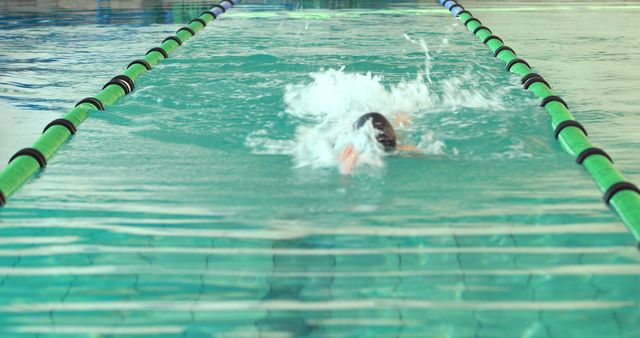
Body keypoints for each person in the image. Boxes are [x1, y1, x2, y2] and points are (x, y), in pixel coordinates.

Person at [338, 112, 419, 175]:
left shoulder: (392, 147)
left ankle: (402, 116)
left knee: (396, 140)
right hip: (368, 129)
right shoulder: (350, 147)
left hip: (380, 135)